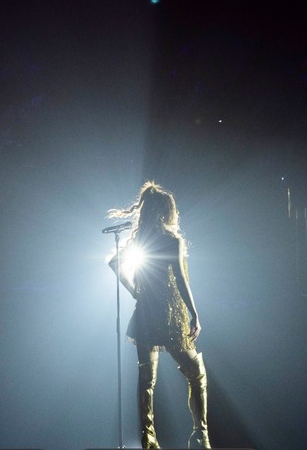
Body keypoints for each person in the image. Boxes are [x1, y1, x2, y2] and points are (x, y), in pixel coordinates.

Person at [107, 181, 211, 449]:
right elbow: (181, 280)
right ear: (166, 211)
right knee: (196, 372)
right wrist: (195, 313)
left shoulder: (140, 240)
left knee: (146, 379)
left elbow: (114, 263)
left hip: (144, 314)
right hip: (169, 314)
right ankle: (200, 435)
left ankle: (148, 439)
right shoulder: (171, 240)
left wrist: (134, 291)